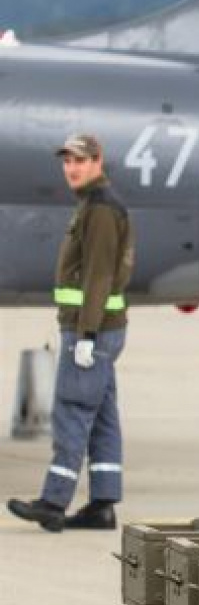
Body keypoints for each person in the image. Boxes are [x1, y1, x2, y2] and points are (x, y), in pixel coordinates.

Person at [7, 134, 134, 533]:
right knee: (102, 417)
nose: (72, 168)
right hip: (100, 328)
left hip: (91, 330)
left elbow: (98, 276)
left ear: (98, 161)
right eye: (67, 161)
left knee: (73, 410)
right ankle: (102, 505)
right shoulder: (93, 204)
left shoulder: (100, 210)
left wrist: (86, 335)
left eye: (80, 160)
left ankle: (53, 502)